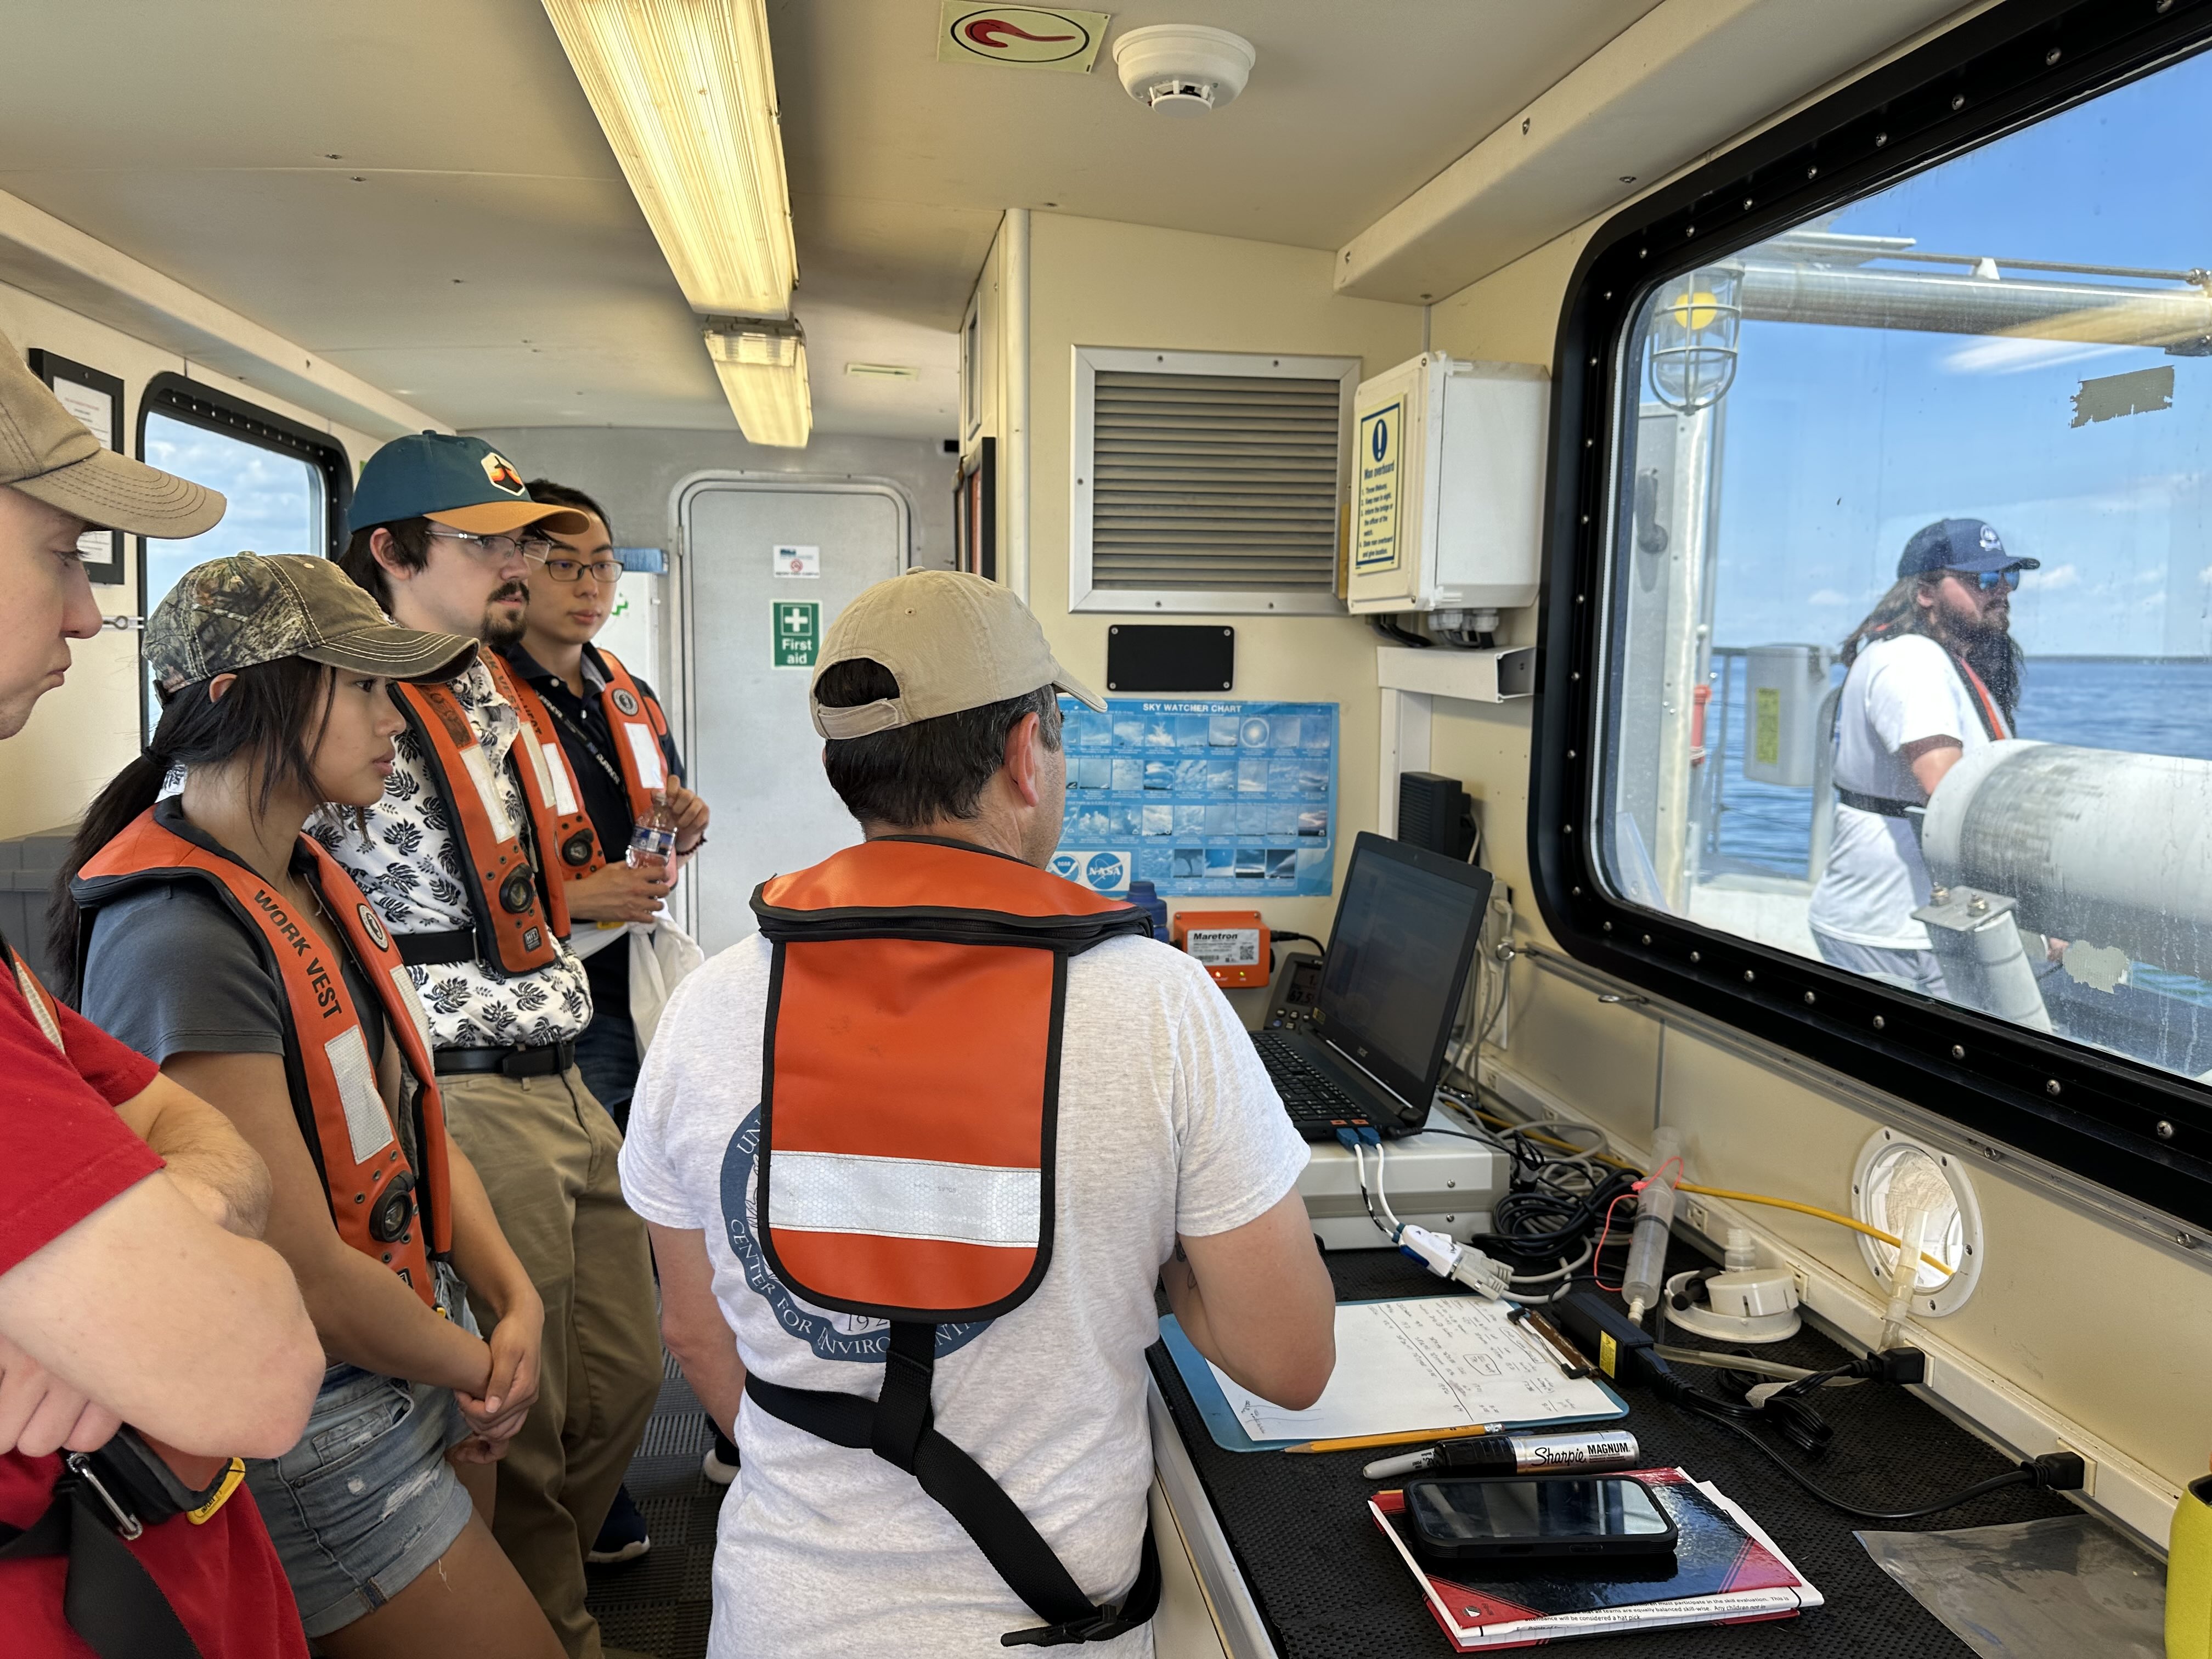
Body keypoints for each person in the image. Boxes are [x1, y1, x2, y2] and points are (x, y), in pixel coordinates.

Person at [619, 571, 1337, 1657]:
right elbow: (1289, 1359)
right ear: (1023, 753)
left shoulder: (707, 1004)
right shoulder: (1160, 1004)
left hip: (777, 1619)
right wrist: (1155, 1256)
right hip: (1049, 1627)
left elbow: (692, 1328)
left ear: (844, 770)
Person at [55, 554, 565, 1658]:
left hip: (418, 1336)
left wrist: (506, 1302)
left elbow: (407, 1127)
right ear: (260, 700)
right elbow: (291, 1261)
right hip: (326, 1401)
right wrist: (478, 1364)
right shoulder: (180, 937)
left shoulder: (307, 877)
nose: (397, 717)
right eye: (367, 687)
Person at [0, 326, 326, 1657]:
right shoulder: (171, 910)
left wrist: (165, 1219)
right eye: (59, 555)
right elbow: (255, 1369)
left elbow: (221, 1148)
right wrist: (175, 1261)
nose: (86, 612)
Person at [323, 433, 661, 1659]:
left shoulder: (489, 694)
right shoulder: (335, 699)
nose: (518, 562)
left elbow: (522, 883)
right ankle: (555, 1630)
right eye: (487, 542)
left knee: (625, 1380)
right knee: (525, 1408)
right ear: (393, 553)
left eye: (521, 538)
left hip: (566, 1066)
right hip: (460, 1092)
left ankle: (545, 1584)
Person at [498, 481, 712, 1556]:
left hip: (622, 989)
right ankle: (573, 1503)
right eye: (565, 563)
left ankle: (599, 1470)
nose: (590, 587)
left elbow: (650, 814)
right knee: (558, 1275)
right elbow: (433, 888)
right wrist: (559, 902)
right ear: (511, 570)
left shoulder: (620, 688)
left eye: (602, 567)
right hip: (518, 1005)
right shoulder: (470, 696)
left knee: (625, 1237)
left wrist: (682, 819)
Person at [1808, 517, 2035, 994]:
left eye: (2007, 577)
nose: (2001, 590)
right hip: (1894, 931)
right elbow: (1951, 793)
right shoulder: (1912, 660)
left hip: (1918, 922)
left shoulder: (1942, 661)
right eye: (1982, 579)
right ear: (1925, 592)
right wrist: (2046, 899)